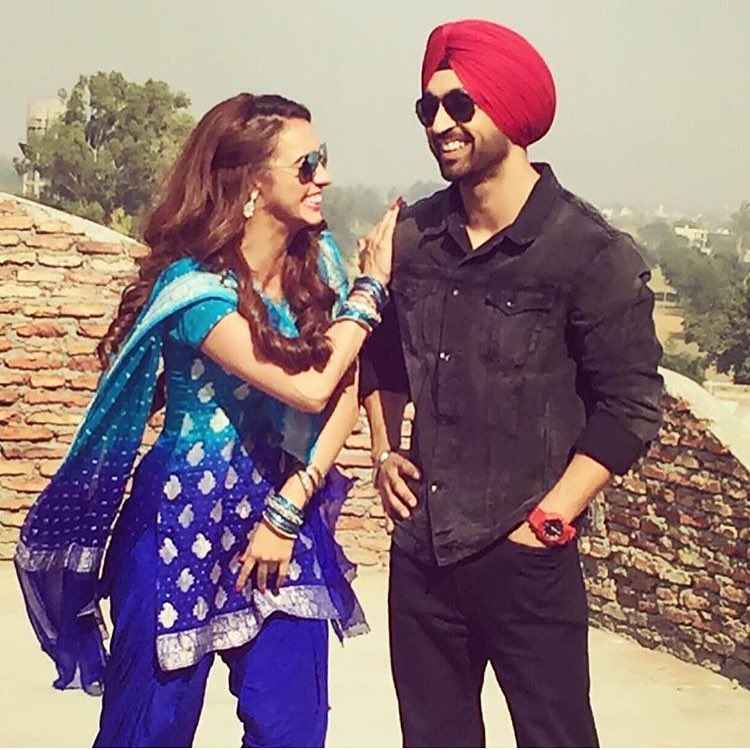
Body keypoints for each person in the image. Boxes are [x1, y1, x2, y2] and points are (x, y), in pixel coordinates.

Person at [15, 92, 400, 748]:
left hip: (282, 524)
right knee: (149, 732)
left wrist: (289, 507)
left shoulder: (318, 268)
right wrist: (371, 291)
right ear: (252, 182)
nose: (326, 178)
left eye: (324, 159)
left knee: (292, 731)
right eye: (307, 165)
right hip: (176, 530)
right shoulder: (195, 291)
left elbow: (345, 388)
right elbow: (309, 387)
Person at [360, 20, 663, 749]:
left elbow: (630, 405)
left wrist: (552, 519)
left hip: (527, 554)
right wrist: (384, 450)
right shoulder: (413, 238)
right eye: (428, 107)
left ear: (510, 109)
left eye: (460, 105)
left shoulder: (587, 252)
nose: (440, 124)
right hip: (424, 553)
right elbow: (383, 358)